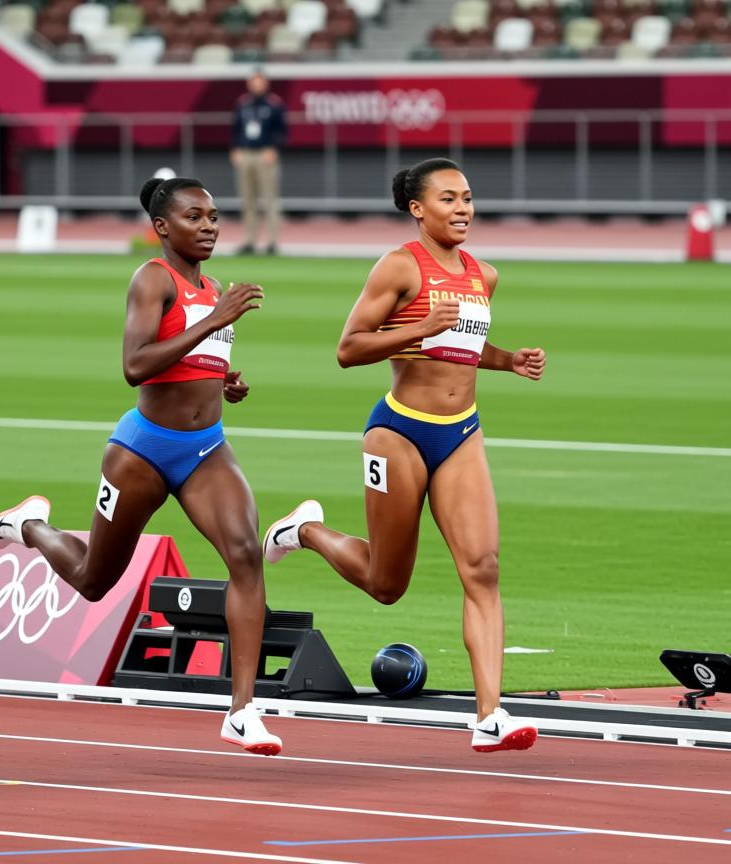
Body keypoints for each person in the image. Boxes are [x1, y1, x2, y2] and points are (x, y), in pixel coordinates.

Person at [0, 177, 282, 755]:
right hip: (143, 451)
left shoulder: (213, 287)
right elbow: (136, 365)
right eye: (195, 217)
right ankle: (30, 527)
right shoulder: (153, 279)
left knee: (246, 555)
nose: (210, 226)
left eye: (215, 216)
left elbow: (194, 359)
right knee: (95, 581)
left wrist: (225, 381)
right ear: (164, 228)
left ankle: (243, 711)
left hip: (206, 450)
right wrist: (214, 321)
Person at [262, 158, 546, 753]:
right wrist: (417, 332)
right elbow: (349, 348)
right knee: (387, 584)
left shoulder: (482, 275)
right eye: (448, 199)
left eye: (468, 197)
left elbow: (464, 345)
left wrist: (507, 360)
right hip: (399, 433)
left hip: (461, 432)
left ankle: (489, 715)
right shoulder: (398, 267)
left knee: (483, 568)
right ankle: (306, 531)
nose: (463, 208)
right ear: (418, 209)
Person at [230, 70, 287, 256]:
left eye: (259, 82)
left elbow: (283, 130)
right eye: (253, 82)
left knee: (270, 199)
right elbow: (235, 129)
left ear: (265, 83)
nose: (257, 85)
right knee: (248, 200)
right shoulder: (243, 104)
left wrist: (274, 149)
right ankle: (249, 239)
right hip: (246, 154)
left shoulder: (274, 105)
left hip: (265, 154)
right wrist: (235, 149)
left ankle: (271, 241)